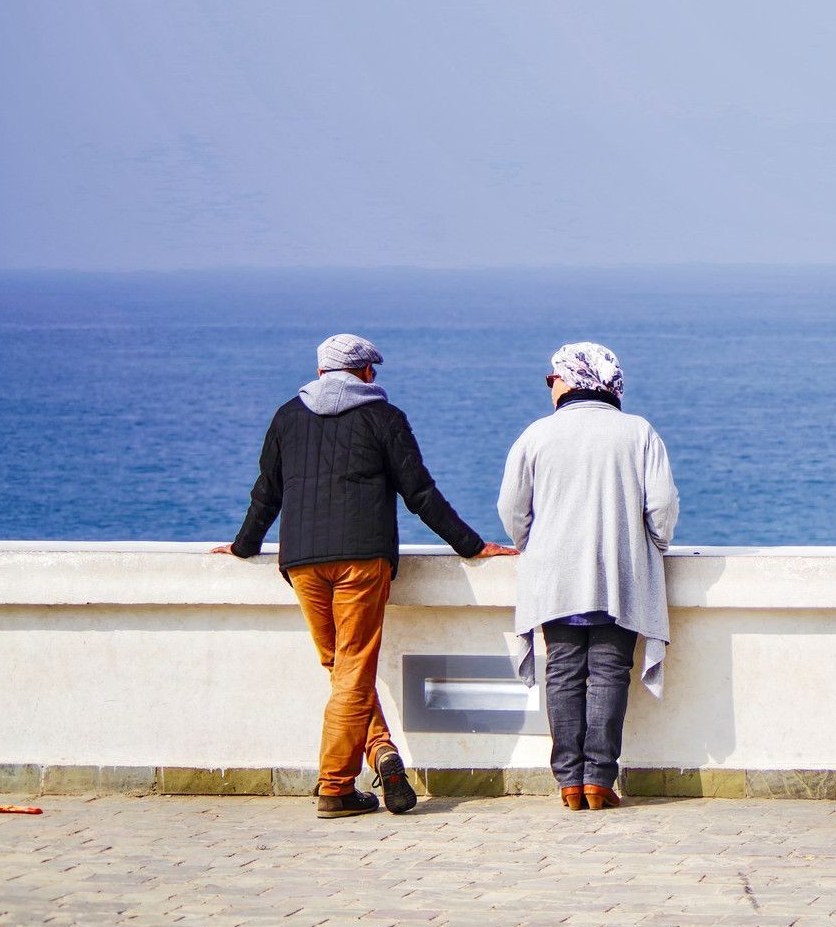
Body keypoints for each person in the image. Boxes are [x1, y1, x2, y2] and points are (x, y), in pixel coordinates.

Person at [215, 333, 516, 819]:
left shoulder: (287, 416)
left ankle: (380, 752)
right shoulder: (384, 418)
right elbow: (420, 494)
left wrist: (244, 545)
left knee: (340, 666)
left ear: (319, 373)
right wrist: (473, 545)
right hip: (361, 557)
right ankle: (334, 787)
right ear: (366, 374)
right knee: (353, 668)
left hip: (302, 560)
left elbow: (266, 493)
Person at [499, 342, 678, 811]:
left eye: (552, 377)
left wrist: (532, 545)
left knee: (562, 671)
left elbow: (512, 509)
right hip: (620, 573)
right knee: (609, 673)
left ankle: (568, 783)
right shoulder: (638, 433)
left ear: (573, 379)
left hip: (555, 575)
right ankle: (599, 780)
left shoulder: (536, 435)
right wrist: (653, 545)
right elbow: (661, 508)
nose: (549, 386)